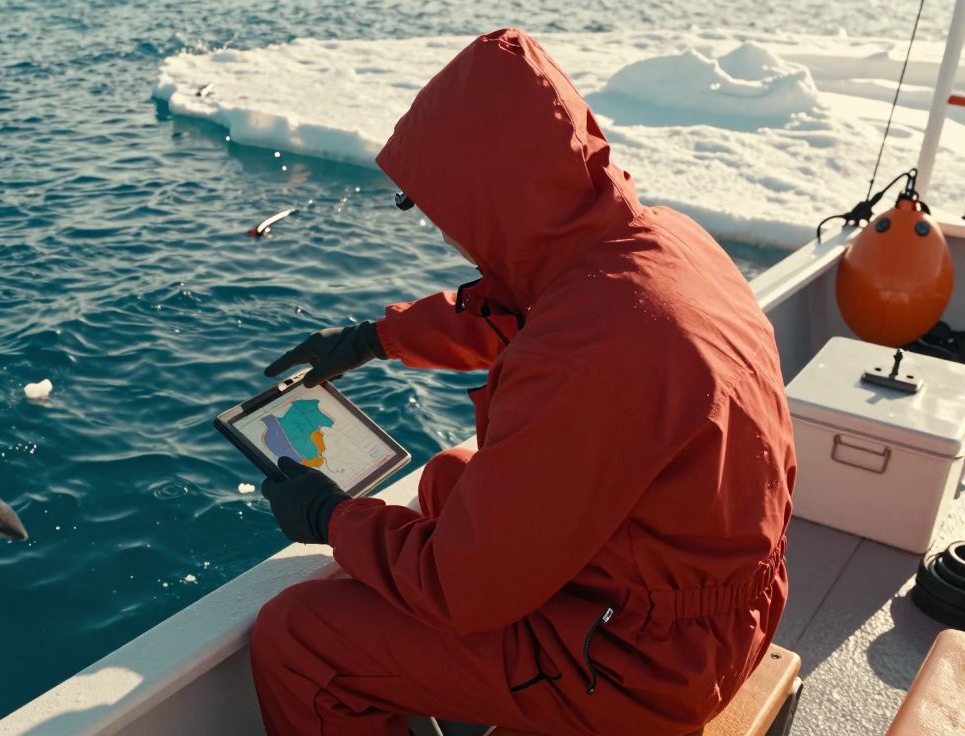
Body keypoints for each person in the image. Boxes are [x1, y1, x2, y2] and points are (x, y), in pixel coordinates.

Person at [252, 28, 795, 736]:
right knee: (449, 477)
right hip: (718, 606)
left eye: (443, 205)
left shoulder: (593, 350)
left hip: (641, 665)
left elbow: (461, 586)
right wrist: (372, 341)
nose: (446, 232)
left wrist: (330, 519)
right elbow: (527, 315)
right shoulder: (656, 244)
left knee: (299, 637)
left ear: (490, 196)